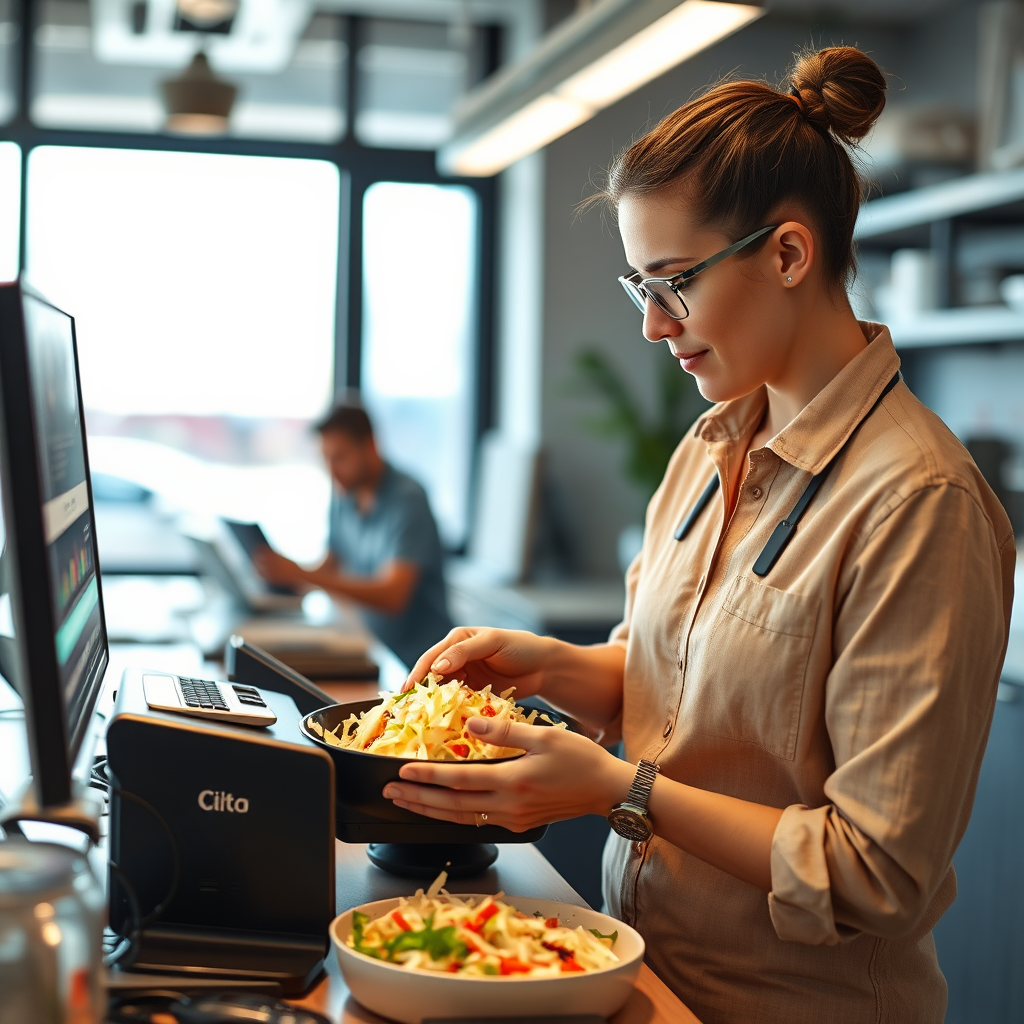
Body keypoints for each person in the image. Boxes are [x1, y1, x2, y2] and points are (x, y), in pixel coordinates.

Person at [380, 47, 1015, 1024]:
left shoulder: (918, 501)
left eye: (672, 283)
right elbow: (675, 683)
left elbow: (875, 871)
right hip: (645, 975)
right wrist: (552, 666)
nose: (651, 324)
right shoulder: (709, 444)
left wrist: (617, 790)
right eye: (641, 285)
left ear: (788, 255)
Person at [255, 403, 454, 669]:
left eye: (339, 457)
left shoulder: (408, 500)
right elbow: (329, 568)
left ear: (370, 445)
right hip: (374, 649)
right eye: (325, 459)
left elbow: (392, 595)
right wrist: (283, 576)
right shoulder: (344, 496)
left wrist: (302, 574)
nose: (332, 470)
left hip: (425, 662)